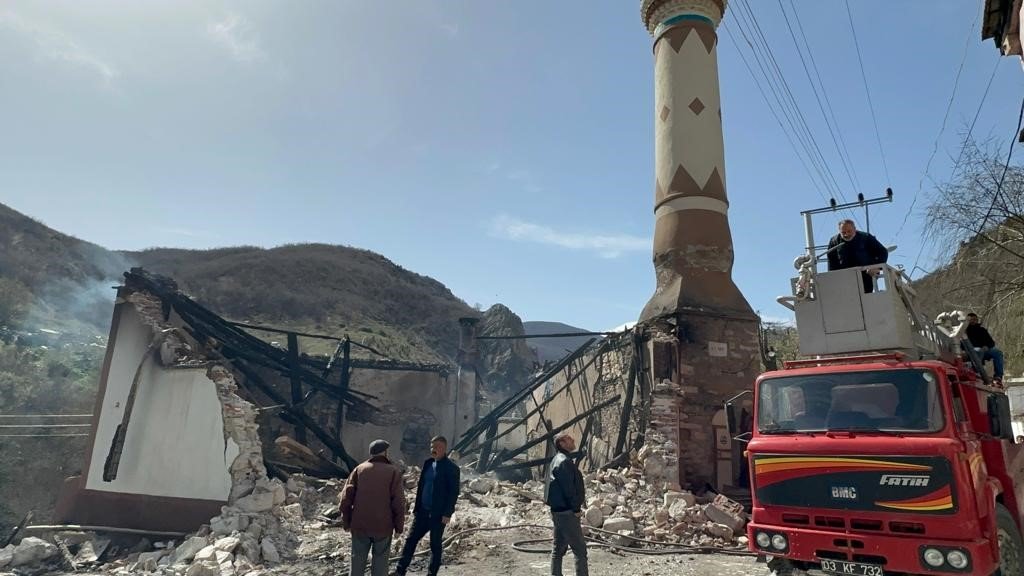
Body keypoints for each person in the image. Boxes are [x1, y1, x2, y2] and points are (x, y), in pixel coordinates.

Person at [394, 436, 460, 576]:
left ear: (444, 448)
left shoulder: (451, 468)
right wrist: (416, 508)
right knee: (410, 540)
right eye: (431, 446)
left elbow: (453, 493)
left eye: (436, 446)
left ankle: (431, 574)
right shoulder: (428, 463)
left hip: (438, 515)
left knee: (435, 546)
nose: (433, 449)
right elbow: (422, 486)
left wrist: (447, 513)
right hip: (422, 512)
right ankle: (400, 570)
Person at [339, 439, 406, 576]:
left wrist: (346, 522)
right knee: (380, 564)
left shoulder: (359, 470)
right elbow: (398, 502)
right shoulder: (393, 472)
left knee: (357, 563)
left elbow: (345, 499)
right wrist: (399, 527)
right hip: (383, 526)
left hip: (360, 525)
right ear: (385, 452)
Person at [545, 433, 588, 576]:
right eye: (569, 439)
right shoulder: (563, 462)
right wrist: (576, 508)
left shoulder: (557, 460)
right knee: (580, 549)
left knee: (558, 548)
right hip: (567, 512)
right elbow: (569, 489)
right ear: (562, 443)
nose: (573, 440)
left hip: (558, 511)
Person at [826, 219, 889, 293]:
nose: (846, 234)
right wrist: (833, 279)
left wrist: (877, 267)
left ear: (855, 229)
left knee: (866, 298)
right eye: (843, 233)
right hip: (845, 278)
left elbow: (883, 252)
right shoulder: (834, 241)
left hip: (866, 276)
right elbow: (832, 263)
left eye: (849, 231)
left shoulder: (866, 237)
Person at [965, 312, 1005, 385]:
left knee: (997, 353)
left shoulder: (982, 330)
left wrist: (986, 346)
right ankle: (977, 373)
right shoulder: (964, 331)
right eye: (971, 319)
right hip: (970, 353)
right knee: (976, 352)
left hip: (983, 351)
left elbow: (991, 342)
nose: (973, 321)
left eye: (975, 319)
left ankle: (998, 376)